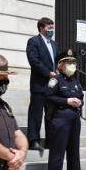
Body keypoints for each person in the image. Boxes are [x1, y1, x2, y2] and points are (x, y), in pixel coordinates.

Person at [44, 49, 86, 170]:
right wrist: (67, 100)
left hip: (75, 118)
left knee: (74, 151)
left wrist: (79, 102)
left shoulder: (75, 81)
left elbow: (81, 97)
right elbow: (48, 97)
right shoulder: (55, 80)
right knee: (58, 151)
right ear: (61, 65)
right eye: (69, 62)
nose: (72, 65)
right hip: (60, 118)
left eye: (73, 62)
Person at [25, 17, 58, 153]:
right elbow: (34, 61)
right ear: (41, 28)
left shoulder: (54, 44)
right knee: (36, 113)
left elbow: (57, 61)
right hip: (39, 84)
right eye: (48, 27)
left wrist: (57, 71)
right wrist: (48, 73)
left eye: (52, 27)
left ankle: (51, 140)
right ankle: (34, 140)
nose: (51, 29)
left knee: (51, 114)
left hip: (52, 86)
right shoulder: (34, 42)